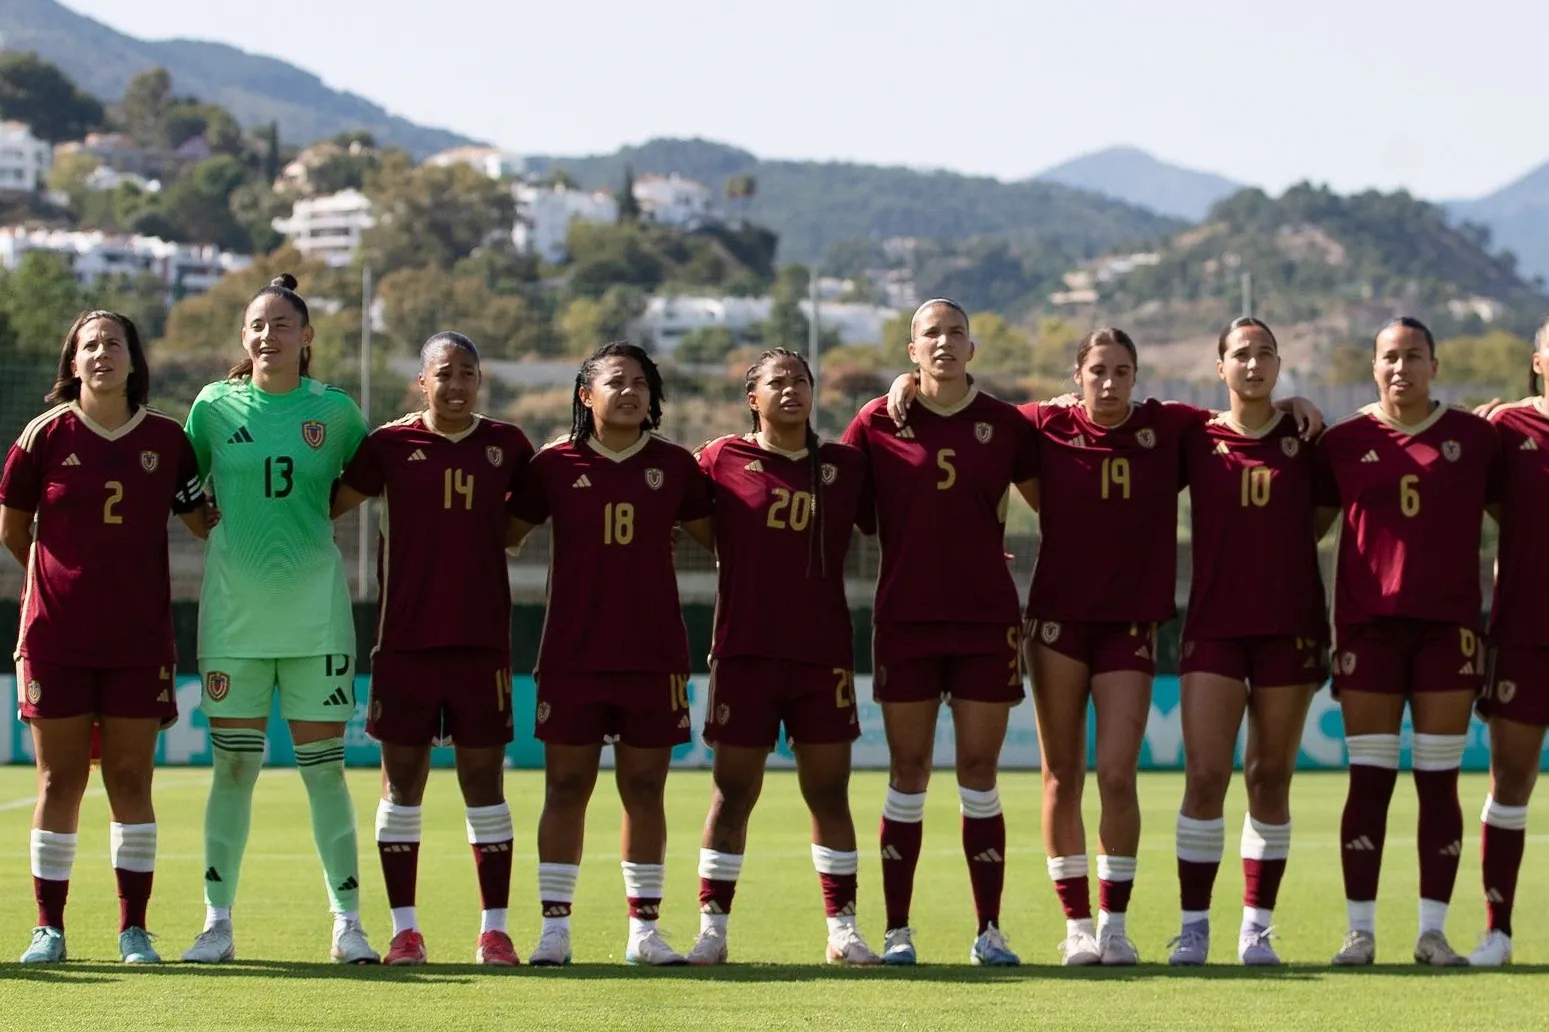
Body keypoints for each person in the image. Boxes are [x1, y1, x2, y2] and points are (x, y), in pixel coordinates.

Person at [180, 274, 379, 965]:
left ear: (306, 337)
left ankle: (349, 924)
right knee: (233, 772)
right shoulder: (212, 407)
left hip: (315, 621)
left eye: (281, 325)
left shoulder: (337, 411)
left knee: (324, 772)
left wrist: (318, 517)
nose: (268, 336)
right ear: (245, 337)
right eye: (257, 325)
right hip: (233, 621)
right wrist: (197, 517)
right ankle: (217, 924)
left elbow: (365, 475)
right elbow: (182, 480)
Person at [1, 311, 208, 964]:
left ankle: (133, 930)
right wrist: (58, 587)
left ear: (132, 360)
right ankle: (49, 929)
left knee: (128, 777)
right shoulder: (42, 436)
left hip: (138, 641)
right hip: (56, 638)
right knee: (59, 781)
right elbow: (14, 530)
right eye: (88, 346)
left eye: (112, 344)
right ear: (72, 363)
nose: (100, 355)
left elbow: (202, 520)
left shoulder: (170, 440)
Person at [845, 299, 1039, 967]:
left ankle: (989, 930)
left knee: (980, 774)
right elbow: (837, 498)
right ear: (911, 349)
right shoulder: (877, 420)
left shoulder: (1004, 424)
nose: (945, 342)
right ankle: (897, 931)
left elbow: (1058, 491)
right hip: (905, 620)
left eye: (956, 332)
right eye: (932, 333)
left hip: (987, 620)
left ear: (972, 348)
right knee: (908, 772)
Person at [506, 340, 713, 966]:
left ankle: (644, 931)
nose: (631, 392)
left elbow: (725, 541)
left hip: (655, 653)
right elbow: (500, 539)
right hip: (573, 652)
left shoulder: (677, 467)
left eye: (642, 384)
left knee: (645, 790)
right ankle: (554, 930)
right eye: (616, 381)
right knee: (566, 788)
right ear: (584, 395)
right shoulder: (551, 465)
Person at [332, 332, 534, 966]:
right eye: (444, 373)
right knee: (403, 784)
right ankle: (404, 930)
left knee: (485, 782)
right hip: (405, 643)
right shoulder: (388, 445)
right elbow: (327, 505)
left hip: (482, 643)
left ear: (481, 382)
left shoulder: (508, 445)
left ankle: (495, 931)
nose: (456, 384)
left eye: (468, 373)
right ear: (422, 382)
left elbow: (537, 514)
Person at [685, 348, 879, 966]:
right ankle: (712, 929)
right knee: (732, 793)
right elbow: (672, 505)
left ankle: (843, 929)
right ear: (753, 397)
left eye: (801, 380)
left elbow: (905, 516)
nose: (792, 389)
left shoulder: (846, 467)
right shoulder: (719, 459)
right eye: (778, 382)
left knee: (830, 794)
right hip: (744, 652)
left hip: (822, 656)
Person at [1316, 316, 1500, 967]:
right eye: (1389, 358)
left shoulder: (1477, 439)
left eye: (1413, 357)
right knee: (1368, 782)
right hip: (1368, 631)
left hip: (1447, 634)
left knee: (1437, 784)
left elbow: (1518, 514)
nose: (1401, 369)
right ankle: (1358, 933)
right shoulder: (1340, 441)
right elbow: (1304, 525)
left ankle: (1431, 933)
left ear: (1434, 365)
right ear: (1373, 368)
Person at [1168, 318, 1328, 967]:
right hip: (1212, 627)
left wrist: (1298, 410)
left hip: (1289, 627)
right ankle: (1194, 925)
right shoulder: (1192, 437)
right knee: (1205, 776)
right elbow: (1112, 419)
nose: (1253, 364)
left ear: (1280, 364)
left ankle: (1255, 928)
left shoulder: (1307, 438)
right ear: (1219, 367)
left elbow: (1318, 522)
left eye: (1265, 353)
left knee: (1268, 776)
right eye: (1240, 354)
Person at [1466, 315, 1549, 967]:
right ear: (1538, 361)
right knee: (1510, 780)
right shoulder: (1504, 430)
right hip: (1524, 632)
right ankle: (1496, 931)